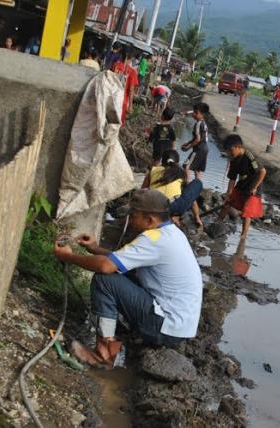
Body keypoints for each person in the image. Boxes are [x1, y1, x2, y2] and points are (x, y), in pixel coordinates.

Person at [54, 189, 203, 368]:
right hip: (179, 327)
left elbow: (105, 266)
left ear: (150, 220)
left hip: (166, 327)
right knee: (123, 272)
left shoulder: (153, 239)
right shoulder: (171, 233)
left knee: (105, 280)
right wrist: (95, 248)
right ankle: (121, 336)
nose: (129, 220)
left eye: (133, 216)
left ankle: (104, 355)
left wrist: (68, 257)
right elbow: (123, 260)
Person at [218, 134, 266, 242]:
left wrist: (254, 187)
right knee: (227, 203)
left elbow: (262, 172)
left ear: (238, 147)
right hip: (242, 184)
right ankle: (218, 222)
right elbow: (232, 179)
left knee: (247, 212)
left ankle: (243, 236)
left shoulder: (249, 157)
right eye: (227, 151)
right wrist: (228, 194)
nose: (229, 153)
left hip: (254, 186)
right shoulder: (233, 160)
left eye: (231, 150)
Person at [142, 150, 204, 226]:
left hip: (155, 205)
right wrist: (197, 217)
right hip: (174, 207)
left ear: (162, 160)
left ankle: (172, 217)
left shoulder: (153, 170)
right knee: (198, 183)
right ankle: (190, 218)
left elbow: (143, 190)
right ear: (177, 162)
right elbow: (189, 194)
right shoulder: (181, 173)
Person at [181, 102, 210, 228]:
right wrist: (188, 143)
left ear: (201, 114)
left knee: (186, 166)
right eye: (194, 112)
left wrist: (188, 147)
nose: (194, 114)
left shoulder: (198, 124)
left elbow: (197, 139)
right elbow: (198, 138)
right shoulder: (203, 123)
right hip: (205, 148)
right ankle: (198, 188)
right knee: (198, 170)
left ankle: (188, 188)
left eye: (196, 112)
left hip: (199, 148)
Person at [112, 48, 139, 125]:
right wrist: (130, 105)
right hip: (122, 101)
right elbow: (131, 89)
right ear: (131, 58)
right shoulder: (132, 72)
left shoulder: (115, 65)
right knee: (117, 122)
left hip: (111, 97)